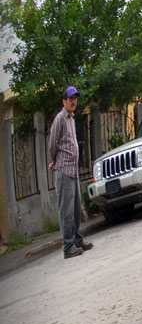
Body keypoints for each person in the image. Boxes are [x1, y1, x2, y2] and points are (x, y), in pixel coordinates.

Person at [46, 86, 93, 258]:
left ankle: (77, 240)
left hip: (73, 171)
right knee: (65, 210)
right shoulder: (60, 119)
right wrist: (55, 160)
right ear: (64, 101)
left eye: (75, 98)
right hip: (64, 170)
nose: (74, 101)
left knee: (75, 210)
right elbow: (52, 143)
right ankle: (68, 247)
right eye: (70, 98)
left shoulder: (72, 119)